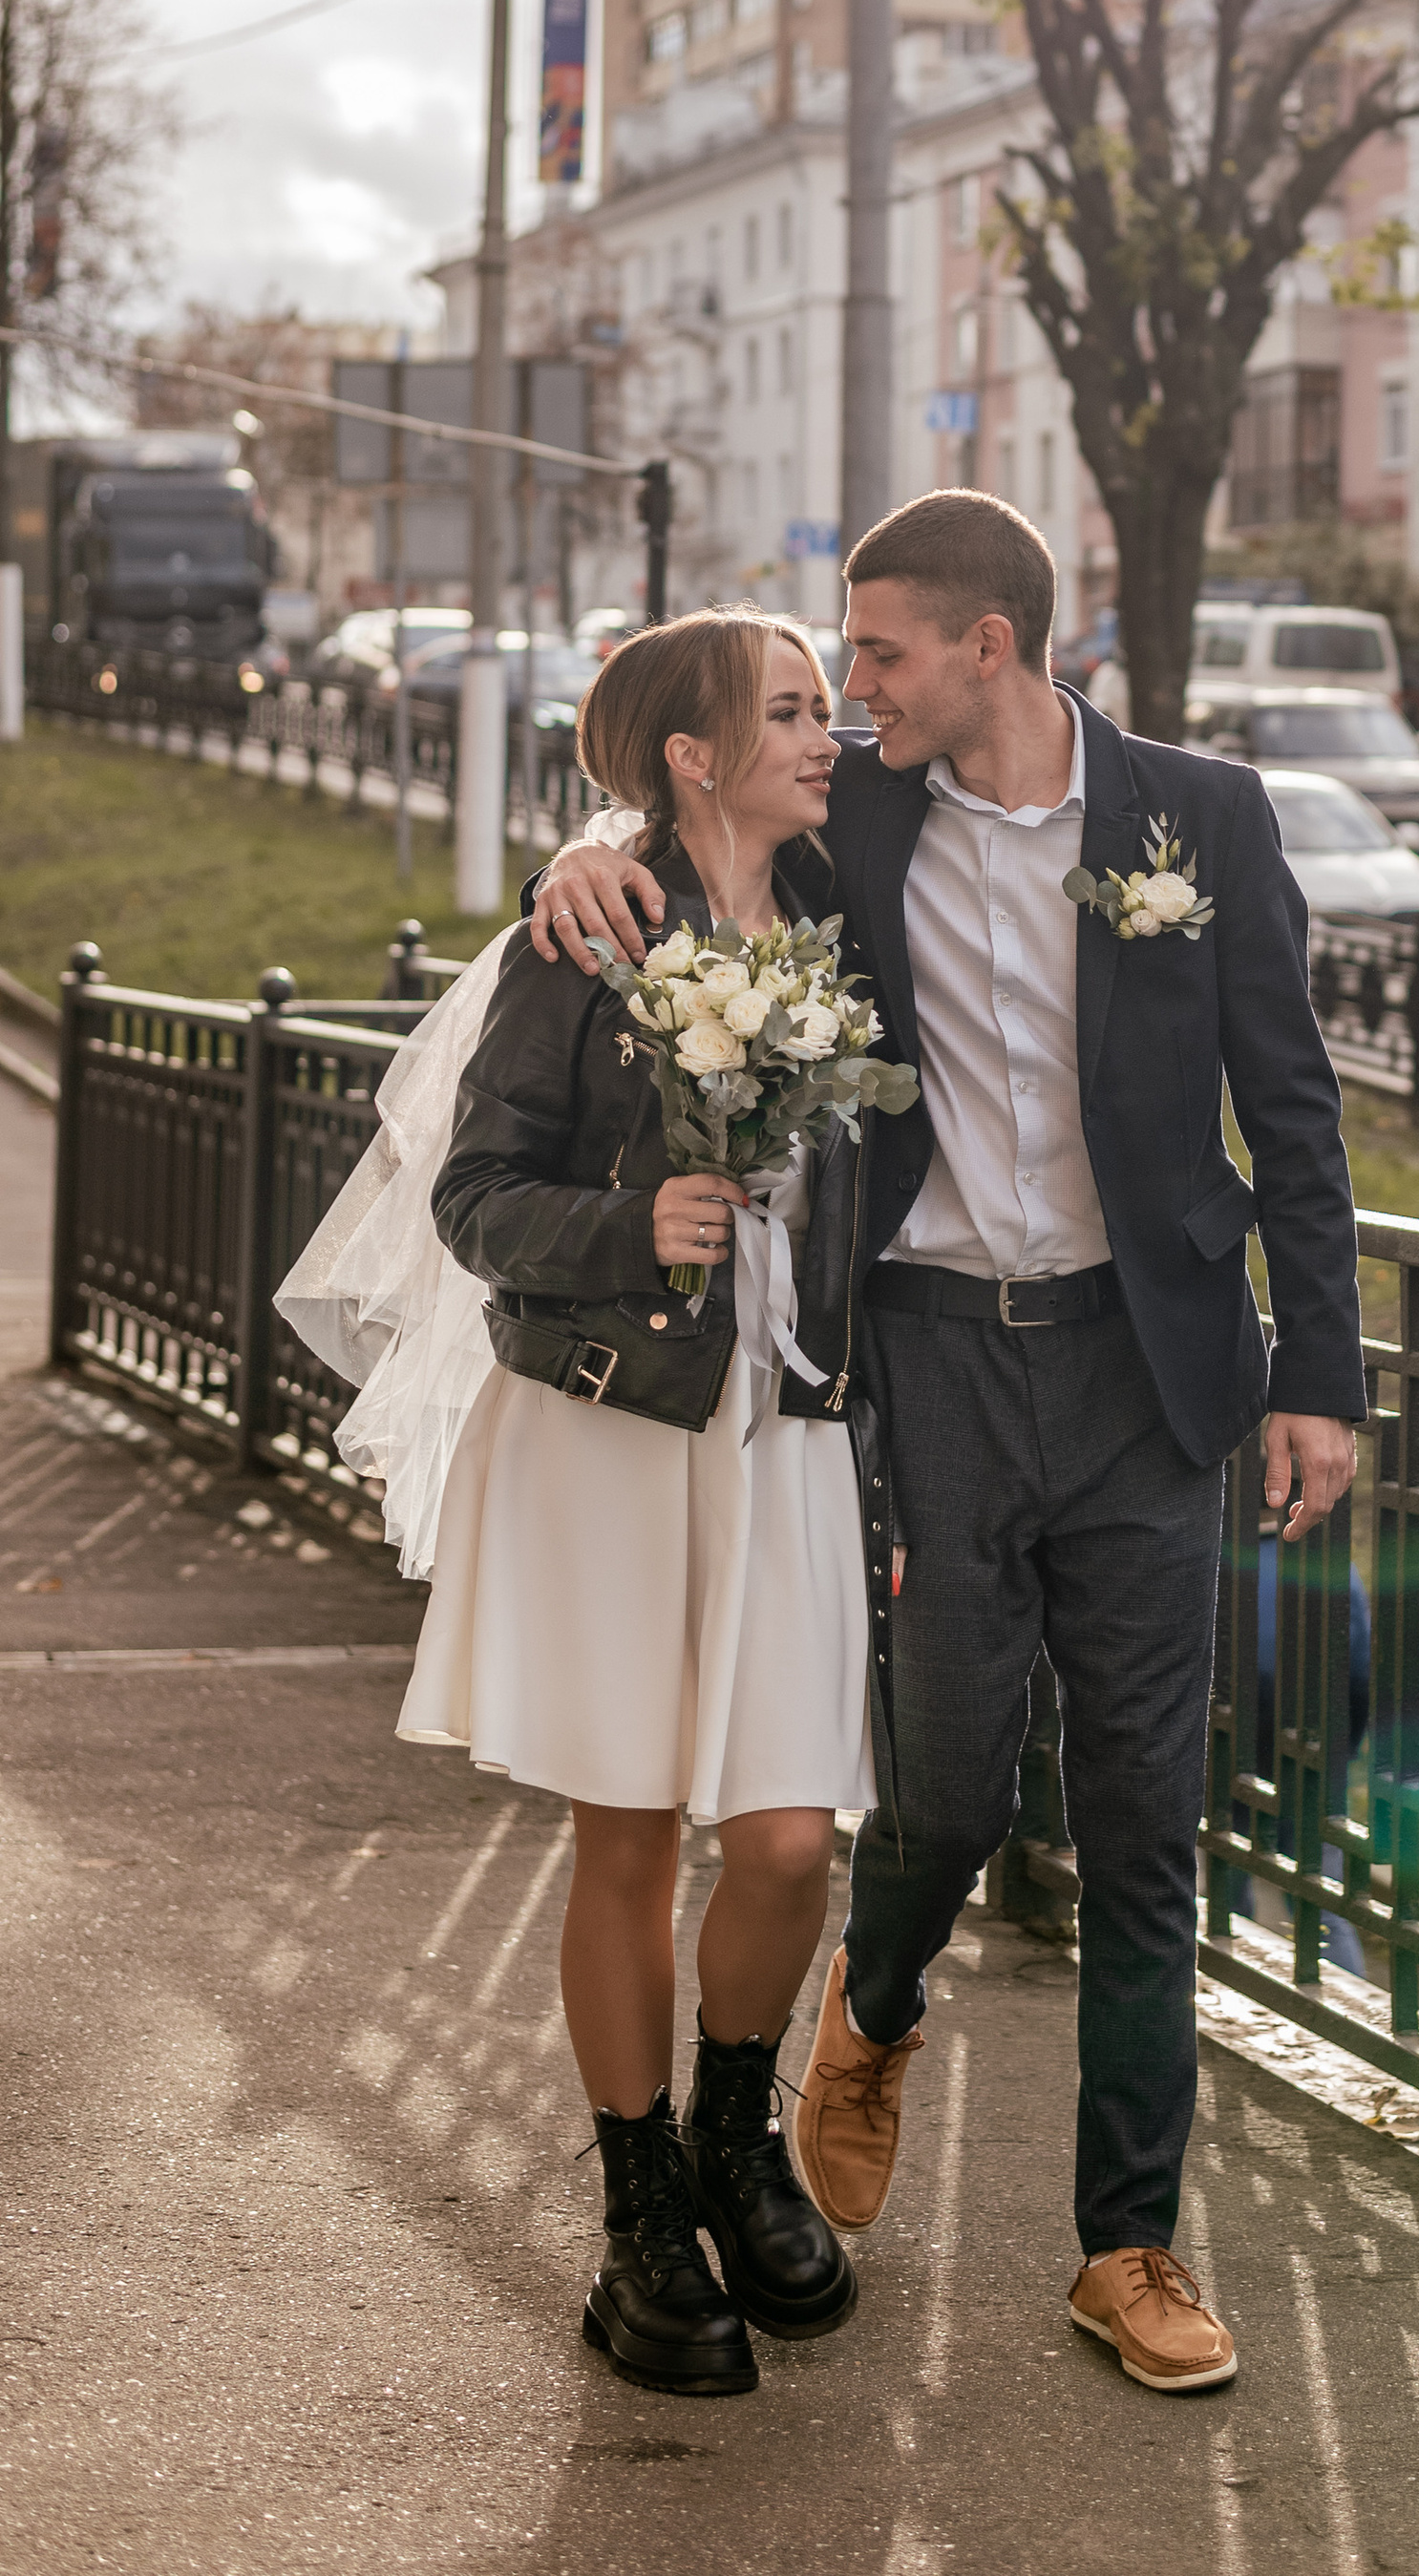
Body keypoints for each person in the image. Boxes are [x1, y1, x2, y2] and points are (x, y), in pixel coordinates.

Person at [528, 491, 1366, 2394]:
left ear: (989, 647)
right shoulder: (867, 819)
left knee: (1146, 1818)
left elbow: (1289, 1111)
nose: (854, 698)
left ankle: (1127, 2248)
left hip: (1147, 1375)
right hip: (927, 1367)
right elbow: (692, 826)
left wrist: (1315, 1368)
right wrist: (568, 863)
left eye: (880, 656)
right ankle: (871, 2011)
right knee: (950, 1788)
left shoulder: (1198, 821)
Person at [412, 609, 884, 2398]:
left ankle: (730, 2137)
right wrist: (640, 1232)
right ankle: (636, 2222)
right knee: (626, 1836)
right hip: (618, 1432)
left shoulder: (844, 910)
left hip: (792, 1435)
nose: (823, 733)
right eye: (789, 709)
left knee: (784, 1838)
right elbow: (476, 1196)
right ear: (692, 755)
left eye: (828, 704)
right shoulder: (591, 935)